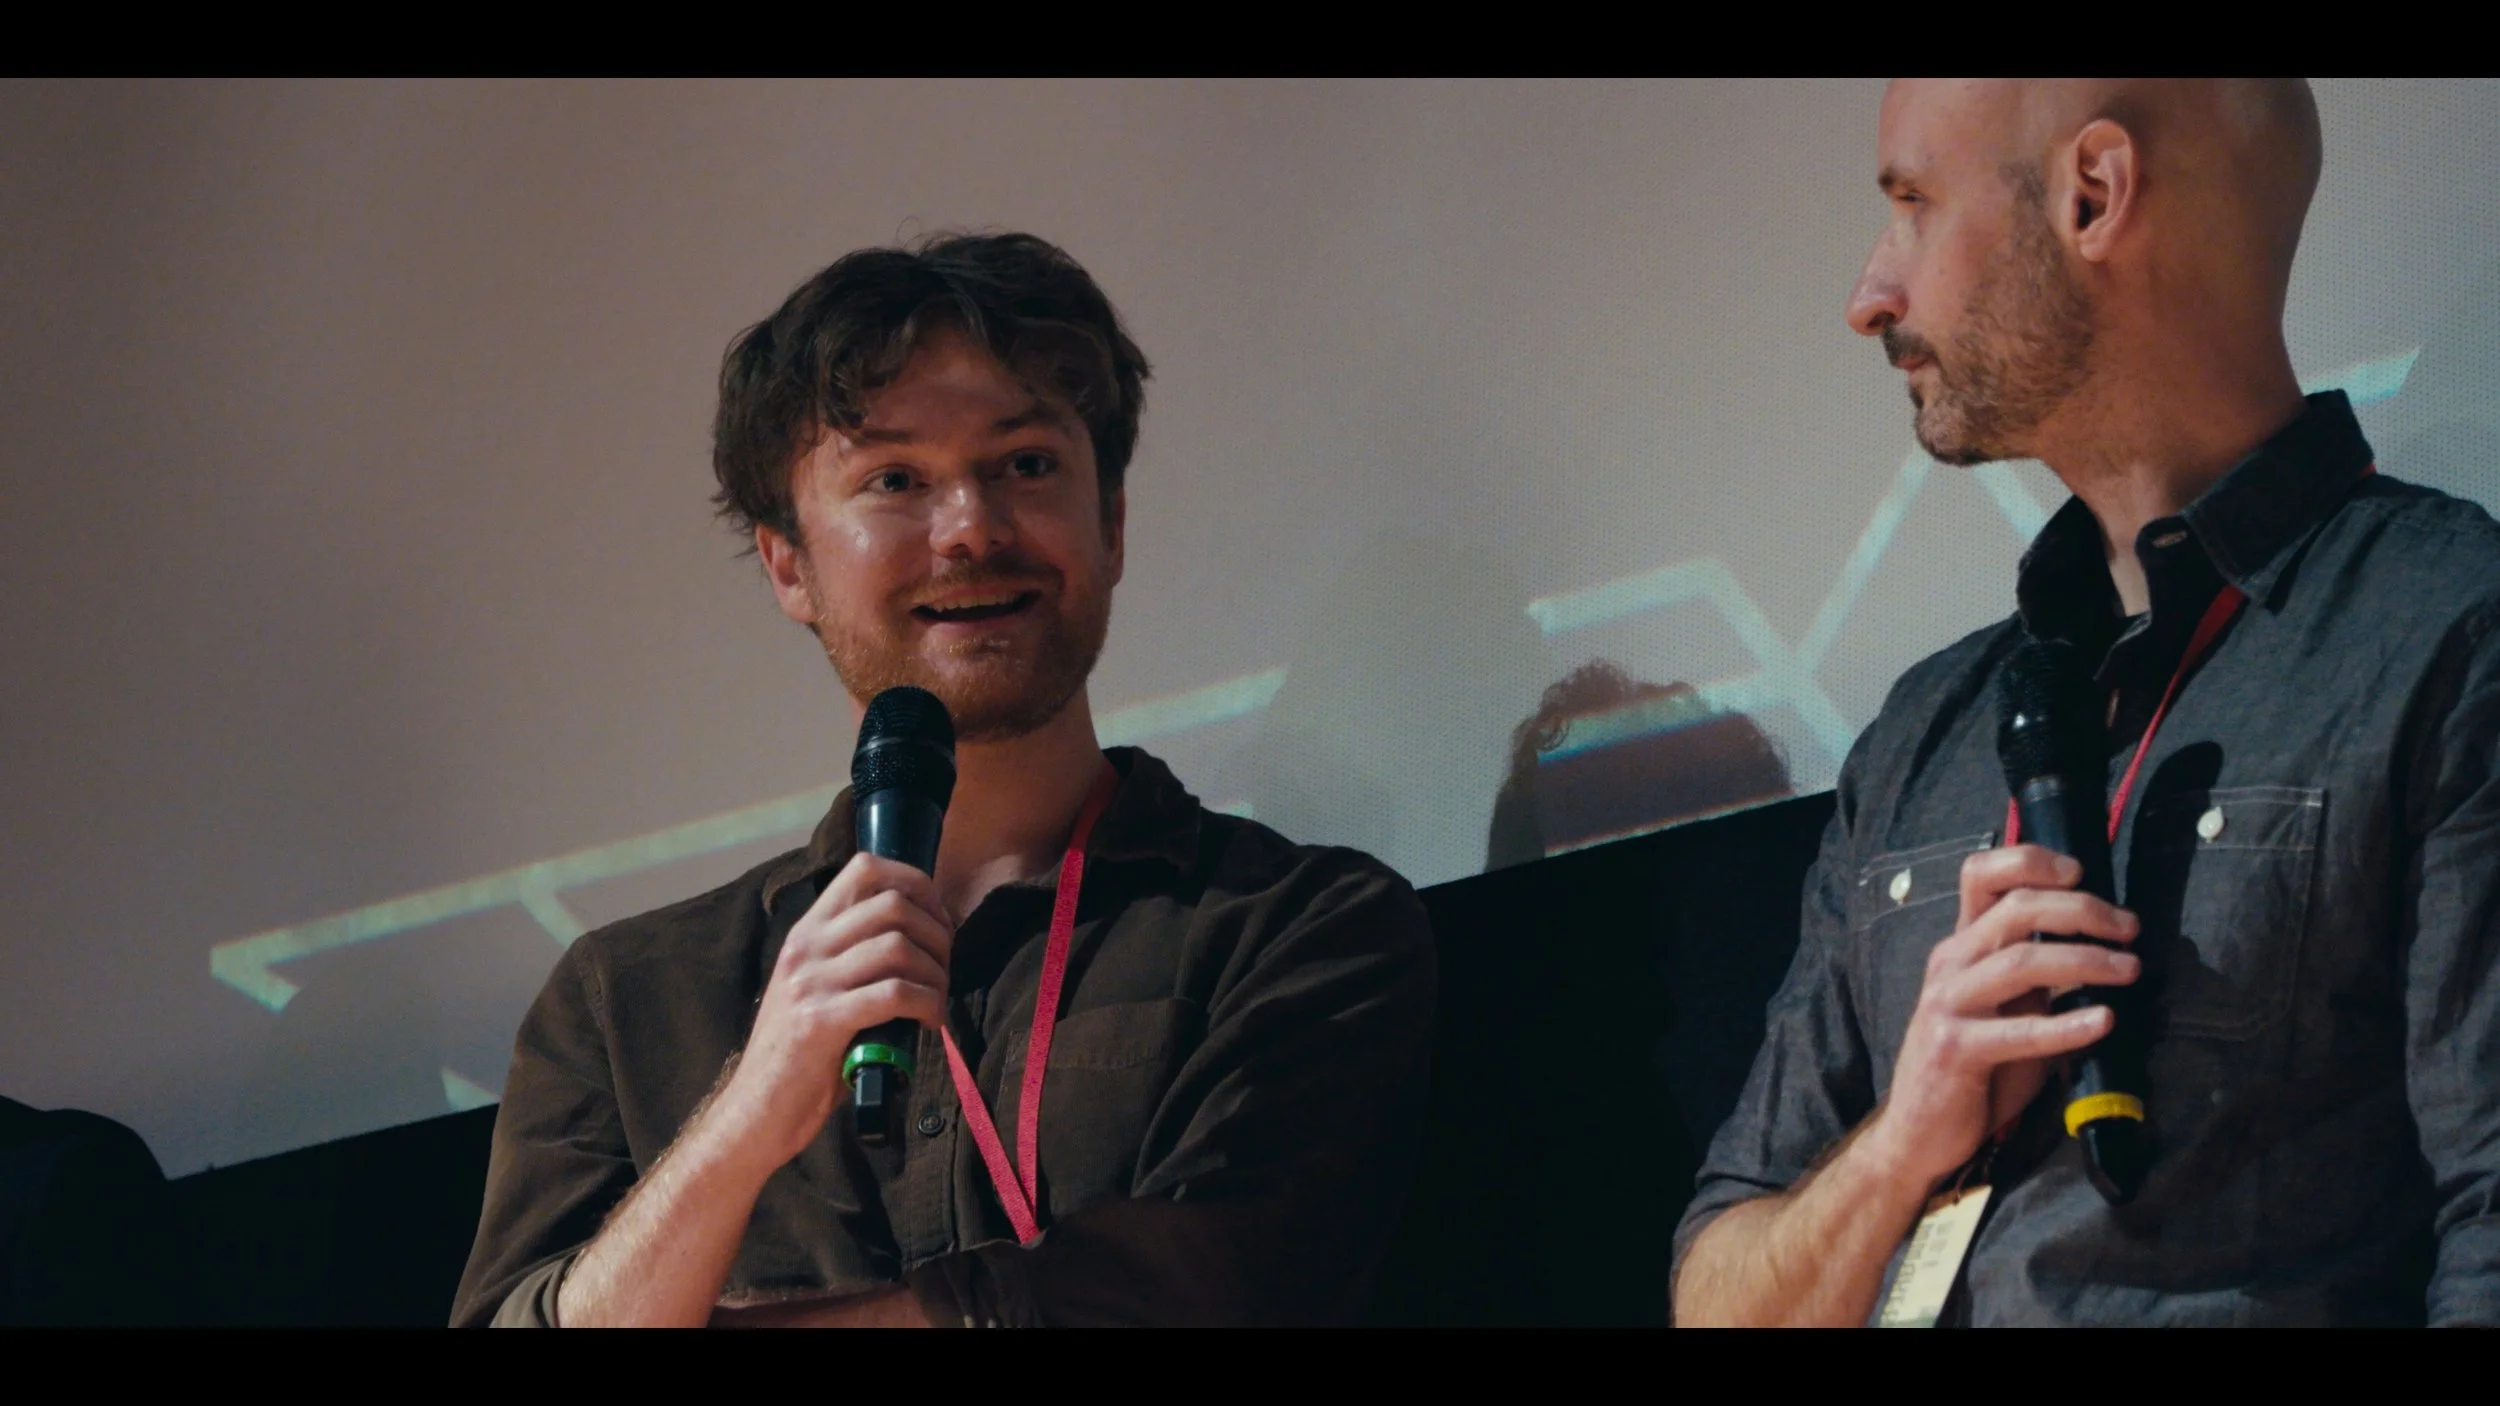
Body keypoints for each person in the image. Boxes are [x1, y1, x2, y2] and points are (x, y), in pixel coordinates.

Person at [450, 233, 1435, 1327]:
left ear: (1109, 523)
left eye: (1024, 464)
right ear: (789, 564)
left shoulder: (1298, 931)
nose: (969, 528)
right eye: (894, 480)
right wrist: (744, 1117)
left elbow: (1212, 1288)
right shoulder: (627, 1000)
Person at [1674, 79, 2500, 1326]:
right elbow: (1715, 1296)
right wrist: (1903, 1137)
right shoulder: (1920, 734)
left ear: (2093, 194)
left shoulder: (2445, 634)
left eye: (1912, 205)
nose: (1868, 296)